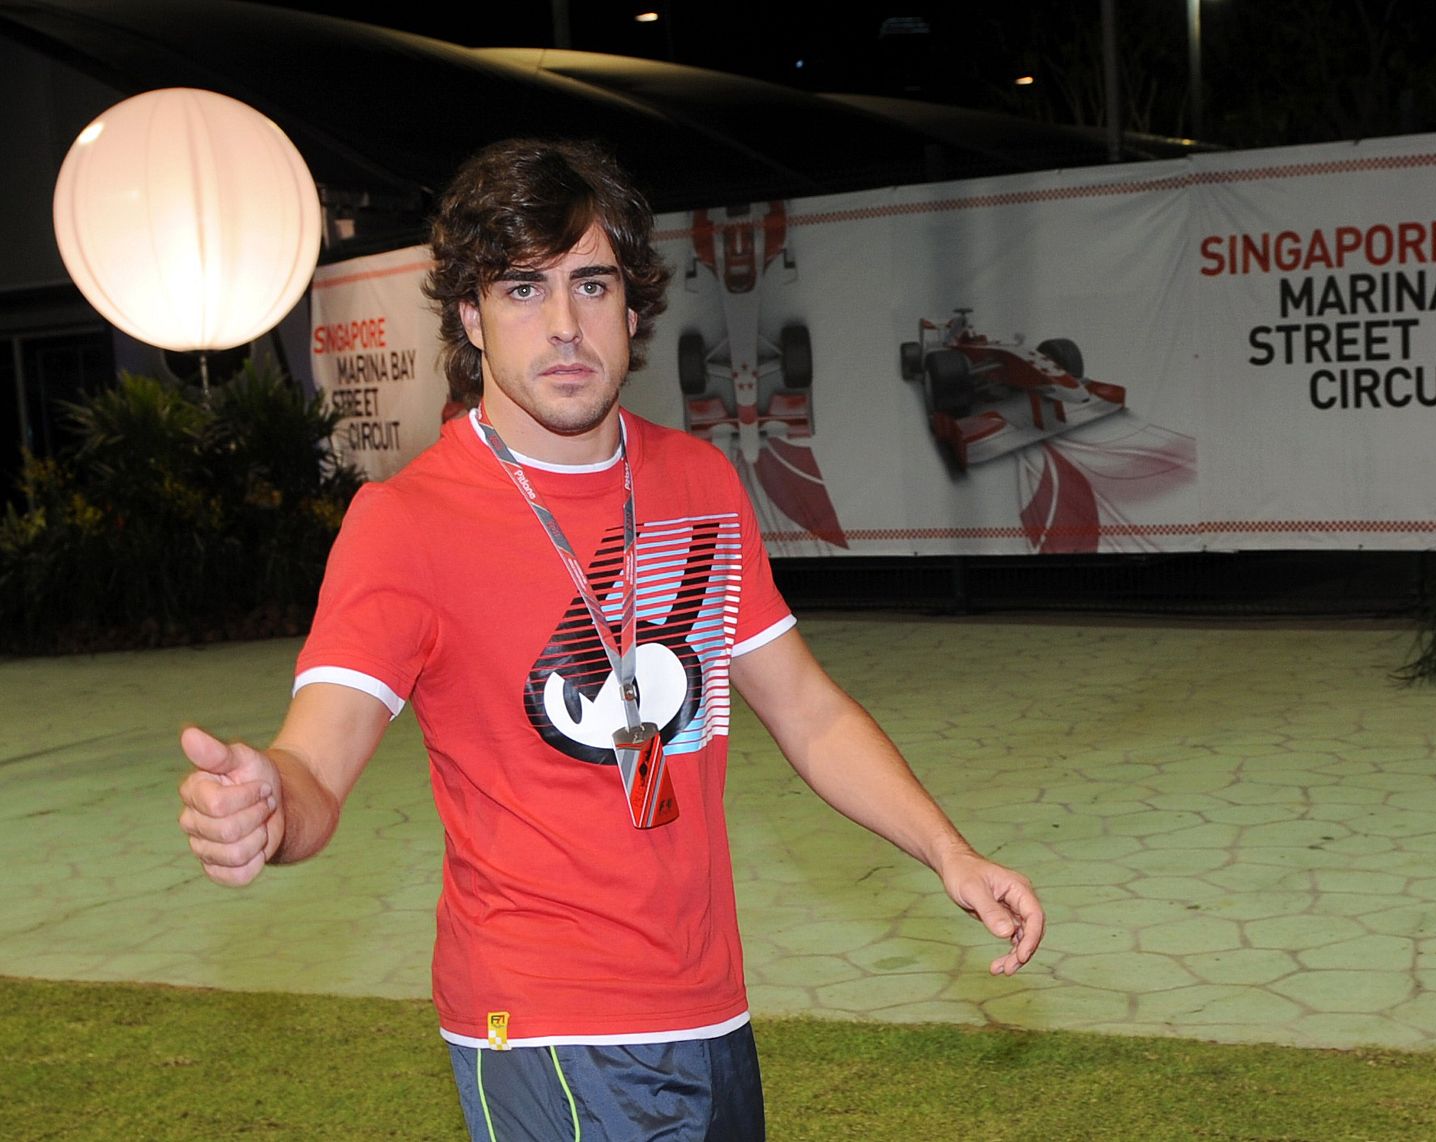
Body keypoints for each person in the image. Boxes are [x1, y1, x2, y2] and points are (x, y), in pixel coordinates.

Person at [177, 138, 1044, 1142]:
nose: (564, 324)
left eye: (591, 285)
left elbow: (807, 711)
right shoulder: (407, 522)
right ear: (470, 317)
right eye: (522, 288)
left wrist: (949, 852)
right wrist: (270, 807)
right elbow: (316, 765)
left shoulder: (699, 483)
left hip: (708, 1005)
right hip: (543, 1025)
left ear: (632, 309)